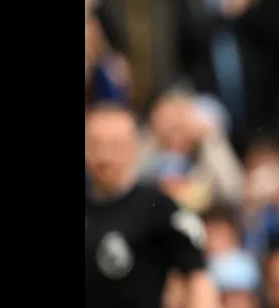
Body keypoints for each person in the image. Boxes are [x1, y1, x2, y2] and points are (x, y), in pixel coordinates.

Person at [85, 104, 219, 308]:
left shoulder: (157, 208)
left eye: (115, 146)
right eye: (94, 145)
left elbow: (197, 279)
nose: (104, 156)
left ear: (133, 148)